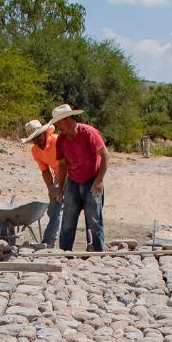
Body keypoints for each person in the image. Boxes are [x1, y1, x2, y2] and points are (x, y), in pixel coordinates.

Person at [52, 103, 109, 252]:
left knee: (94, 220)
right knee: (68, 220)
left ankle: (98, 252)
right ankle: (65, 252)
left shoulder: (88, 133)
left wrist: (99, 180)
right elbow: (63, 165)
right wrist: (61, 187)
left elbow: (105, 155)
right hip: (73, 182)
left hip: (92, 180)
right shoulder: (61, 140)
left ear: (68, 119)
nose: (59, 128)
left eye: (60, 123)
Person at [20, 118, 62, 246]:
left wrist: (61, 186)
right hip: (58, 177)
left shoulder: (58, 141)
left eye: (39, 137)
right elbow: (45, 171)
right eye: (34, 139)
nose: (37, 141)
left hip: (75, 173)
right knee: (54, 209)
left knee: (69, 209)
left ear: (45, 133)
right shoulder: (35, 151)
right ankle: (49, 242)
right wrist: (51, 188)